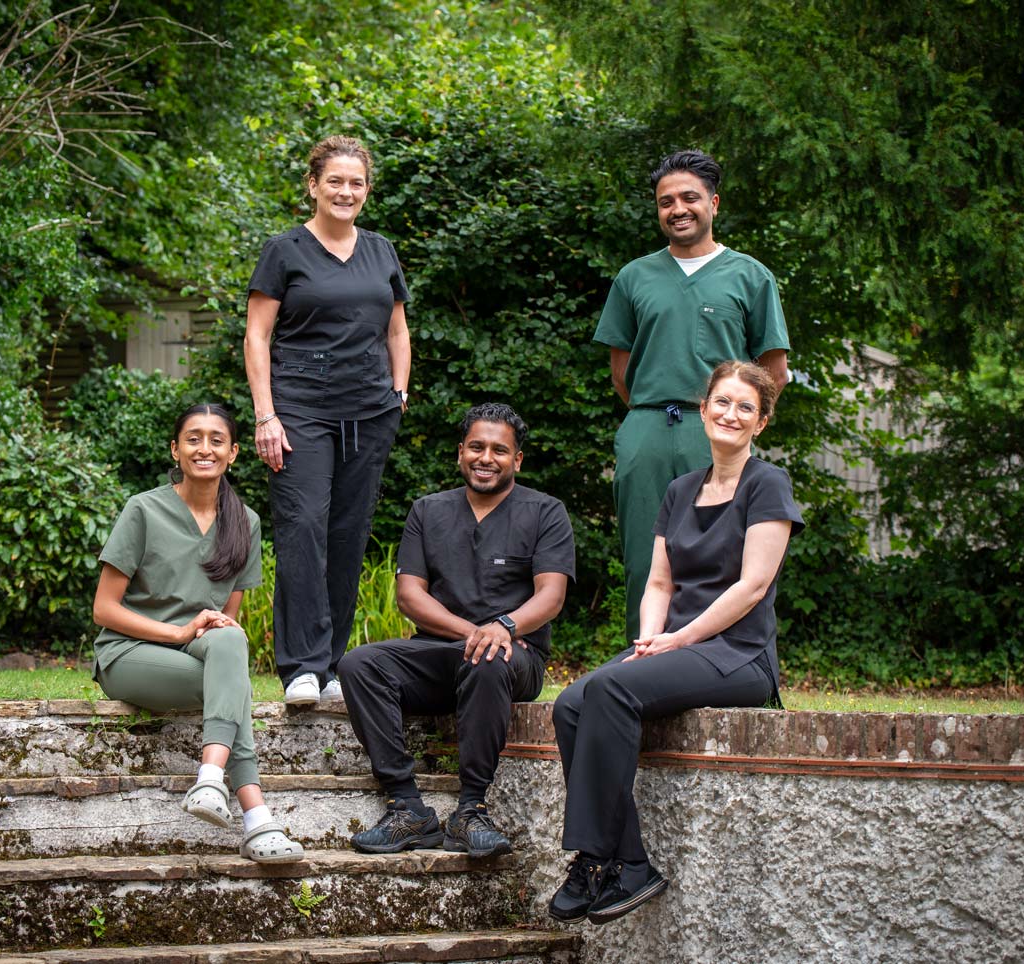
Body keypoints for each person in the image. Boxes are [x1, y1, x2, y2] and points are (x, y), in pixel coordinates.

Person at [548, 360, 804, 925]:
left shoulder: (768, 485)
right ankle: (630, 861)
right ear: (703, 409)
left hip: (738, 655)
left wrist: (679, 639)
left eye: (745, 407)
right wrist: (649, 639)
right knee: (570, 703)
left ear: (761, 423)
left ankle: (594, 857)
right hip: (676, 644)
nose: (730, 414)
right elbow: (659, 582)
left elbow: (752, 585)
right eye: (722, 401)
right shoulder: (681, 489)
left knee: (610, 690)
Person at [338, 403, 575, 858]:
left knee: (489, 657)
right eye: (476, 447)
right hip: (439, 652)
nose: (486, 458)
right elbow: (410, 595)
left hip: (514, 658)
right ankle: (408, 809)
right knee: (358, 664)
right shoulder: (428, 510)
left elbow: (551, 597)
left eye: (499, 450)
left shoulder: (545, 512)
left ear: (517, 460)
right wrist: (476, 631)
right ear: (460, 453)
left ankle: (470, 810)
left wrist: (503, 628)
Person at [91, 404, 304, 865]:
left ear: (233, 453)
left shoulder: (244, 522)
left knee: (231, 640)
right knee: (236, 685)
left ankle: (212, 780)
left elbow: (225, 620)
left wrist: (198, 634)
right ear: (175, 449)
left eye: (215, 440)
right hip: (129, 654)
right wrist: (177, 633)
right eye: (193, 438)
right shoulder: (143, 509)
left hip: (198, 654)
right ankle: (256, 816)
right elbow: (104, 610)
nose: (203, 448)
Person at [594, 149, 791, 642]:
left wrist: (733, 421)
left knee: (724, 554)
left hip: (719, 433)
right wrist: (655, 414)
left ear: (714, 203)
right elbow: (622, 373)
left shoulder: (750, 276)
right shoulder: (634, 277)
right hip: (646, 431)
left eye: (689, 198)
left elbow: (774, 373)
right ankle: (639, 663)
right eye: (666, 202)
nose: (678, 209)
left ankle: (722, 662)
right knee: (645, 557)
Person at [245, 134, 412, 707]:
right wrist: (266, 415)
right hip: (299, 411)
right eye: (334, 181)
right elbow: (257, 335)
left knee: (347, 533)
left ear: (367, 190)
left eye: (356, 183)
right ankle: (300, 667)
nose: (346, 191)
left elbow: (396, 329)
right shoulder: (284, 250)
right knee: (303, 529)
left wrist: (400, 391)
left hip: (369, 411)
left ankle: (334, 665)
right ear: (313, 186)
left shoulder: (382, 250)